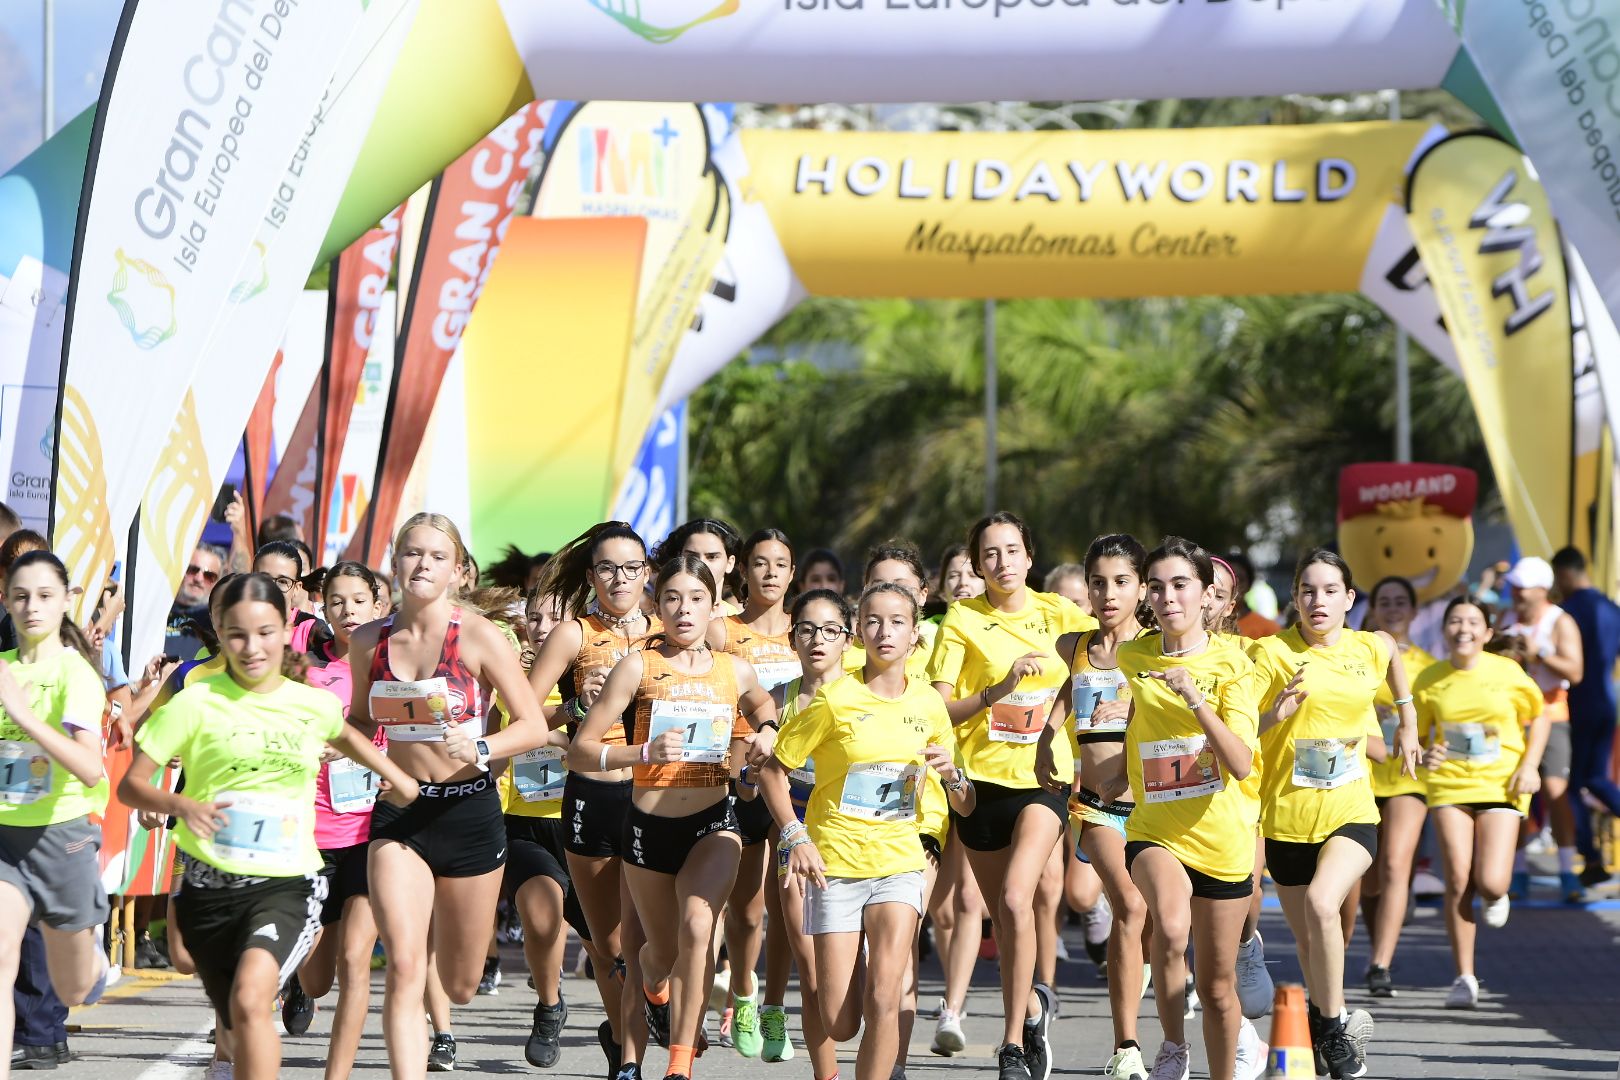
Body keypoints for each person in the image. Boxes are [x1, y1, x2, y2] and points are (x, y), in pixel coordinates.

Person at [120, 572, 417, 1080]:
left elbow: (393, 773)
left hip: (287, 883)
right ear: (221, 635)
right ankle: (228, 1060)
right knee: (237, 1004)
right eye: (237, 634)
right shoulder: (195, 700)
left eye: (264, 632)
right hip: (208, 886)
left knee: (253, 995)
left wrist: (399, 785)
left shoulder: (313, 705)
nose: (252, 647)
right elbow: (131, 787)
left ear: (286, 630)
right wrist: (182, 805)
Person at [348, 513, 549, 1080]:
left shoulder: (480, 636)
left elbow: (531, 725)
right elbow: (362, 721)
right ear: (395, 564)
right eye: (412, 553)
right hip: (401, 813)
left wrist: (480, 746)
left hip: (469, 811)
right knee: (406, 965)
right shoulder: (370, 640)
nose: (422, 565)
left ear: (459, 571)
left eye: (437, 557)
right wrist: (345, 748)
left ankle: (447, 963)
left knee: (459, 983)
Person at [567, 554, 777, 1080]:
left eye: (696, 599)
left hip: (713, 823)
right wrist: (642, 754)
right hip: (648, 828)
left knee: (699, 925)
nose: (685, 610)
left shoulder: (735, 668)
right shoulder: (638, 665)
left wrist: (768, 729)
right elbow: (580, 750)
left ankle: (679, 1067)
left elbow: (762, 703)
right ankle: (656, 990)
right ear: (657, 606)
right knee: (658, 955)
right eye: (673, 599)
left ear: (714, 606)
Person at [761, 581, 974, 1080]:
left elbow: (965, 801)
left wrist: (954, 774)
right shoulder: (835, 699)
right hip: (834, 866)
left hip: (900, 863)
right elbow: (773, 771)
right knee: (840, 1020)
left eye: (897, 622)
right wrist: (796, 836)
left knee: (885, 993)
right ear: (858, 632)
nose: (885, 632)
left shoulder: (928, 704)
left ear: (915, 634)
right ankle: (846, 973)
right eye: (873, 621)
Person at [926, 512, 1093, 1080]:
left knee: (1019, 898)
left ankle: (1013, 1044)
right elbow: (940, 707)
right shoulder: (962, 619)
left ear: (1029, 556)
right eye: (990, 554)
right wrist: (999, 689)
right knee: (1004, 910)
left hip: (1044, 779)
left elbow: (1106, 654)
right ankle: (1031, 1006)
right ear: (977, 564)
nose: (1002, 562)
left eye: (1012, 551)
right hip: (977, 783)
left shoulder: (1060, 613)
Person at [1248, 550, 1421, 1079]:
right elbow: (1237, 731)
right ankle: (1330, 1024)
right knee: (1308, 939)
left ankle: (1333, 1022)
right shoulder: (1270, 653)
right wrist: (1270, 714)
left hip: (1351, 809)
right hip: (1286, 816)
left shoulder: (1370, 646)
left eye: (1329, 591)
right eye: (1306, 590)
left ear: (1349, 600)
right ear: (1294, 598)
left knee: (1326, 905)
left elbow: (1392, 652)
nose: (1316, 600)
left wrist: (1408, 717)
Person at [1116, 537, 1261, 1080]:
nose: (1168, 597)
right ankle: (1173, 1046)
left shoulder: (1233, 663)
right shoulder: (1133, 656)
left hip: (1222, 836)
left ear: (1207, 595)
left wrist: (1194, 698)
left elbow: (1242, 764)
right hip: (1156, 829)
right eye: (1157, 587)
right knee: (1172, 931)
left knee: (1219, 986)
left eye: (1181, 585)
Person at [528, 522, 661, 1080]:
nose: (620, 578)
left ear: (647, 572)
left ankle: (650, 1021)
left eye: (631, 567)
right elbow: (526, 713)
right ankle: (626, 1050)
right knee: (608, 946)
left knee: (657, 938)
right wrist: (571, 721)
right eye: (608, 568)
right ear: (591, 576)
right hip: (594, 795)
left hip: (661, 795)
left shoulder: (669, 627)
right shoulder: (572, 634)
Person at [1037, 534, 1150, 1080]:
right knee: (1128, 906)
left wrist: (1133, 702)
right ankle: (1126, 1045)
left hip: (1156, 807)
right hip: (1096, 805)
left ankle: (1159, 995)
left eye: (1121, 582)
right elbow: (1067, 690)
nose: (1108, 593)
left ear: (1142, 588)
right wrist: (1045, 738)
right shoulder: (1075, 646)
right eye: (1098, 582)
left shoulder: (1153, 649)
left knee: (1156, 924)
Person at [0, 550, 114, 1080]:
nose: (31, 607)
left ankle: (92, 961)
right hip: (5, 837)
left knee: (72, 988)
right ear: (5, 599)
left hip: (62, 837)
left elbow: (91, 768)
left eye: (45, 595)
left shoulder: (75, 673)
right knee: (1, 961)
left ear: (66, 600)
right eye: (20, 595)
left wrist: (23, 715)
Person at [277, 562, 388, 1080]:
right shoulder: (301, 667)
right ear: (323, 607)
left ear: (377, 606)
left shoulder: (391, 666)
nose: (348, 611)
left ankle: (335, 1075)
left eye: (358, 601)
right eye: (337, 601)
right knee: (319, 979)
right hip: (312, 837)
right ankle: (300, 981)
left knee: (355, 963)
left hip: (371, 834)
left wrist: (396, 774)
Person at [1413, 596, 1549, 1009]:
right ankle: (1464, 977)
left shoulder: (1508, 672)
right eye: (1455, 621)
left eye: (1473, 622)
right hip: (1450, 786)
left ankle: (1496, 893)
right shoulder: (1429, 680)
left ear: (1488, 633)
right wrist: (1426, 753)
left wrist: (1530, 766)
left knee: (1491, 881)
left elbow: (1539, 717)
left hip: (1501, 784)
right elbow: (1417, 739)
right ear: (1445, 629)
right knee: (1458, 879)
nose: (1463, 629)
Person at [708, 529, 799, 1058]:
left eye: (780, 564)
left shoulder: (805, 630)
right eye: (760, 563)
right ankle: (742, 994)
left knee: (787, 905)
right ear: (743, 570)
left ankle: (774, 1010)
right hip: (738, 780)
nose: (769, 573)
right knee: (744, 911)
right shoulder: (723, 631)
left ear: (792, 573)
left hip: (792, 781)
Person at [756, 588, 850, 1075]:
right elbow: (754, 778)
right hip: (795, 834)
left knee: (860, 976)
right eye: (807, 630)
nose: (817, 639)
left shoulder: (865, 695)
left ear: (847, 640)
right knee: (813, 971)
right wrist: (753, 755)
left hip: (858, 839)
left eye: (830, 630)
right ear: (793, 639)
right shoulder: (779, 700)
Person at [501, 585, 579, 1069]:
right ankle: (549, 1006)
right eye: (534, 617)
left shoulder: (590, 678)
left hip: (583, 819)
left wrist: (554, 725)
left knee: (604, 940)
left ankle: (623, 1027)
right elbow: (498, 733)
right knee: (542, 915)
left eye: (554, 617)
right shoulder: (507, 677)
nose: (542, 626)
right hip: (522, 817)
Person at [1358, 576, 1437, 997]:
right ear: (1370, 610)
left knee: (1394, 865)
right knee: (1368, 879)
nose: (1392, 608)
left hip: (1409, 778)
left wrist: (1438, 747)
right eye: (1384, 601)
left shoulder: (1427, 665)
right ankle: (1376, 945)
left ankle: (1380, 964)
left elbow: (1444, 720)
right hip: (1360, 776)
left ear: (1413, 611)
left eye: (1400, 602)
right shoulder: (1355, 656)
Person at [928, 542, 990, 1055]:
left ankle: (953, 1006)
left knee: (970, 899)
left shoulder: (1004, 627)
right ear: (942, 587)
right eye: (956, 575)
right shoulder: (924, 632)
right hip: (924, 778)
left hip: (974, 774)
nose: (966, 582)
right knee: (939, 908)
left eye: (973, 573)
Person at [1496, 556, 1585, 901]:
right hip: (1512, 717)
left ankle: (1567, 872)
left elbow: (1576, 671)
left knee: (1554, 791)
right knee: (1514, 791)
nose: (1516, 593)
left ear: (1542, 589)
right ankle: (1516, 872)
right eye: (1514, 586)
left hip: (1552, 714)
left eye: (1523, 587)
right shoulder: (1505, 617)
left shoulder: (1560, 621)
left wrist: (1538, 653)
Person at [1549, 546, 1620, 888]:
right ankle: (1591, 860)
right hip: (1607, 703)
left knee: (1572, 786)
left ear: (1563, 575)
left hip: (1576, 707)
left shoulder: (1565, 613)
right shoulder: (1612, 608)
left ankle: (1590, 858)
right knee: (1595, 777)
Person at [655, 521, 743, 616]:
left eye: (712, 557)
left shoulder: (741, 625)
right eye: (692, 556)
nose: (701, 563)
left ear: (730, 563)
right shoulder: (656, 623)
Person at [167, 544, 227, 660]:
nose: (198, 579)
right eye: (193, 570)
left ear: (217, 582)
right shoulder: (157, 608)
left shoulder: (219, 618)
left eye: (209, 576)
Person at [1225, 553, 1279, 641]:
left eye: (1241, 579)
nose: (1235, 584)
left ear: (1249, 585)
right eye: (1230, 578)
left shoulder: (1269, 630)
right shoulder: (1203, 625)